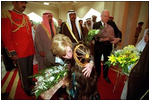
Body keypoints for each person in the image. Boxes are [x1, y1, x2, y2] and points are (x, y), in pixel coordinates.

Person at [1, 1, 35, 96]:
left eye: (25, 2)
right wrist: (12, 52)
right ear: (14, 2)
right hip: (19, 51)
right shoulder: (7, 15)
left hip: (29, 49)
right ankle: (25, 87)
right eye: (21, 2)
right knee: (23, 71)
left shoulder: (26, 17)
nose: (24, 4)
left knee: (30, 69)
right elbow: (6, 36)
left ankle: (30, 81)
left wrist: (33, 48)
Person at [48, 34, 94, 99]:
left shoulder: (74, 46)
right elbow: (50, 73)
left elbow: (89, 56)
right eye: (64, 55)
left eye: (70, 51)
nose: (69, 56)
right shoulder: (50, 58)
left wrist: (91, 63)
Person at [93, 9, 122, 83]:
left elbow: (118, 32)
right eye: (105, 16)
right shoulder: (96, 25)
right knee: (97, 62)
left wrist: (118, 39)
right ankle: (98, 74)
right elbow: (93, 36)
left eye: (107, 16)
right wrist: (100, 39)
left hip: (108, 47)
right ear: (101, 16)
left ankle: (105, 76)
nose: (106, 18)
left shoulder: (112, 24)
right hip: (98, 47)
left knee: (107, 62)